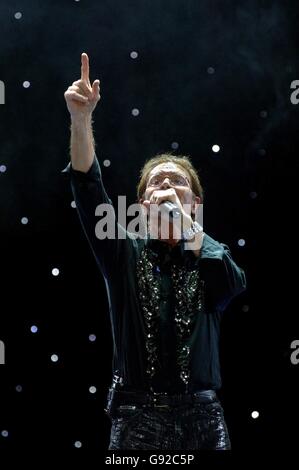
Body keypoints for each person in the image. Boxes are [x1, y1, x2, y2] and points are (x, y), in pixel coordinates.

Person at [63, 52, 246, 450]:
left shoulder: (209, 252)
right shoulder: (123, 251)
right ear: (142, 206)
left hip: (202, 416)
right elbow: (88, 188)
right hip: (136, 418)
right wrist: (81, 120)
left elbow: (232, 286)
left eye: (176, 181)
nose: (164, 182)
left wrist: (186, 226)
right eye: (154, 183)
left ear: (194, 202)